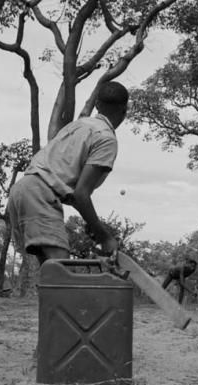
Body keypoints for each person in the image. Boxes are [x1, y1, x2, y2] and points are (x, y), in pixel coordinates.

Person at [7, 81, 129, 265]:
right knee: (62, 271)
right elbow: (81, 194)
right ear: (124, 110)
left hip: (21, 191)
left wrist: (94, 226)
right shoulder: (106, 138)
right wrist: (104, 237)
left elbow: (69, 189)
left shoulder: (78, 125)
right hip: (40, 195)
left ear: (97, 105)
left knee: (51, 273)